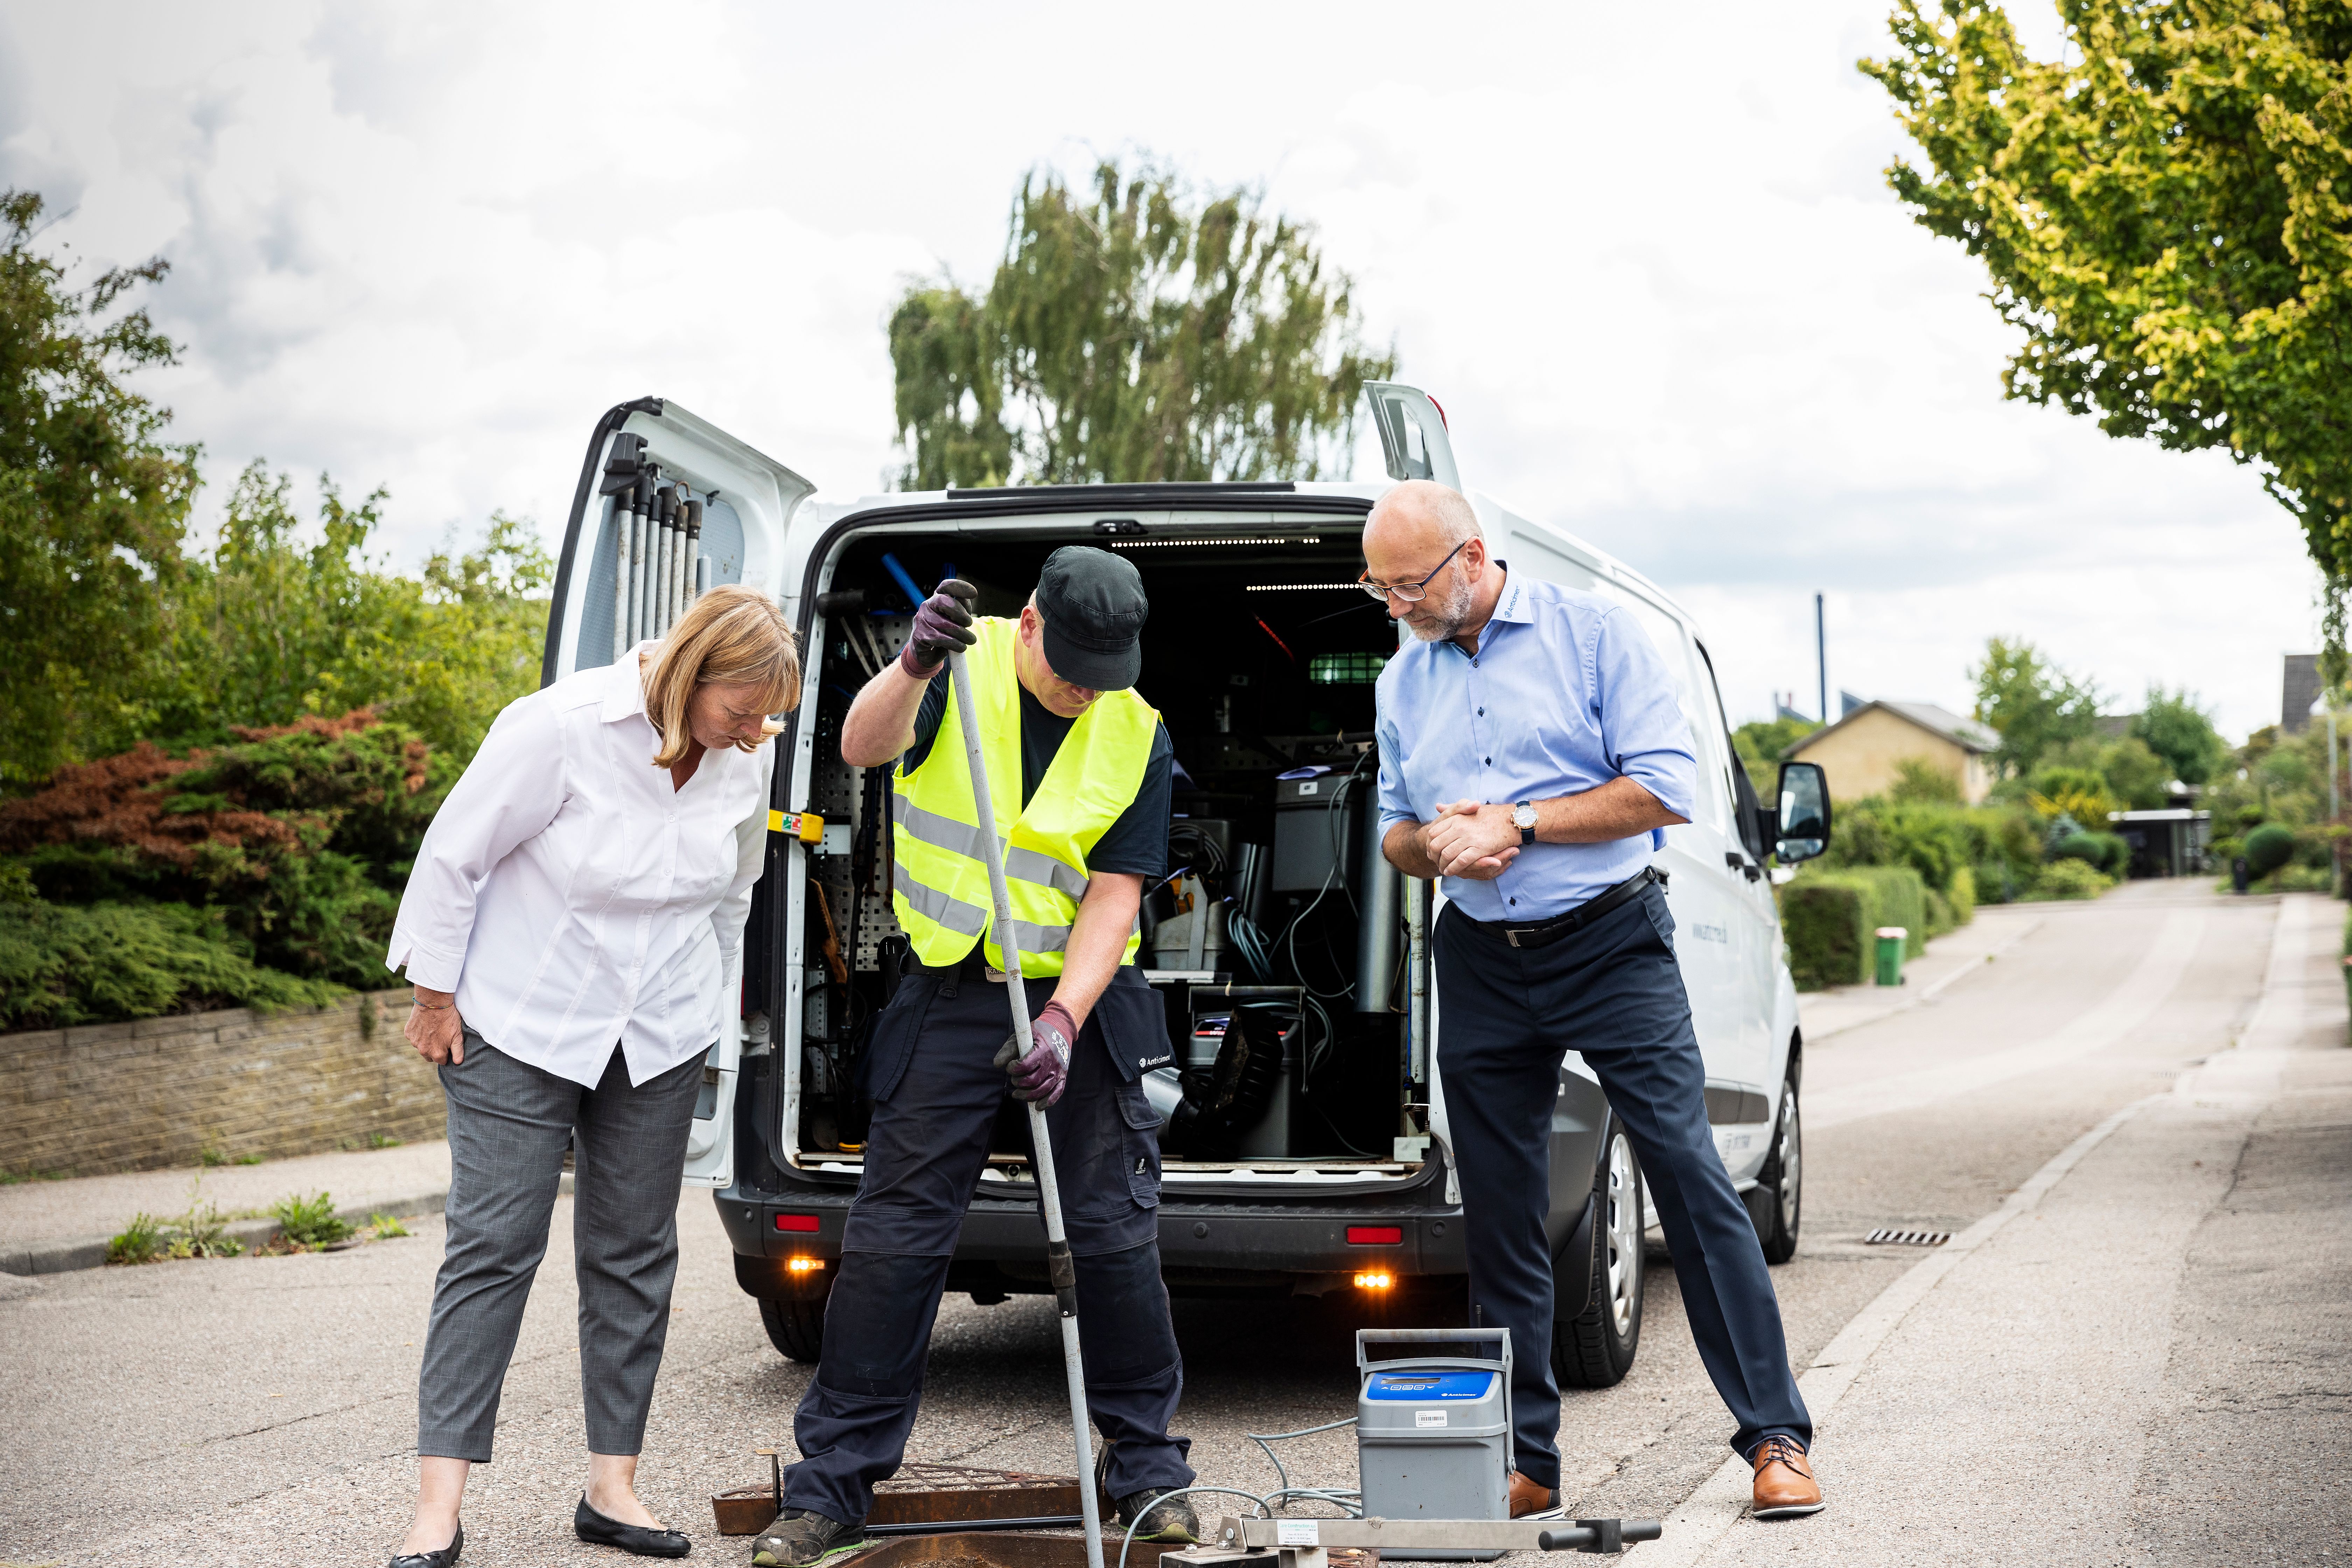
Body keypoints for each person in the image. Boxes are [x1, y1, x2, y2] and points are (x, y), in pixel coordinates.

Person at [1365, 482, 1823, 1521]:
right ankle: (1527, 1462)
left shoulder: (1595, 636)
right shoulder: (1402, 682)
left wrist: (1516, 825)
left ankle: (1777, 1438)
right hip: (1480, 953)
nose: (1392, 605)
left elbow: (1666, 787)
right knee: (1501, 1216)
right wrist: (1431, 845)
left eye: (1408, 583)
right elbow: (1393, 826)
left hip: (1610, 942)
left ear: (1472, 558)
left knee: (1693, 1182)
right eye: (1378, 586)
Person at [753, 547, 1196, 1568]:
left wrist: (1064, 1023)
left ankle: (1146, 1473)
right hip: (952, 983)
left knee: (1112, 1233)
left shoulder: (1137, 730)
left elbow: (1116, 896)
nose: (1087, 691)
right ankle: (833, 1487)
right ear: (1030, 625)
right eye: (1072, 667)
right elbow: (865, 749)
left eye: (1106, 672)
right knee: (895, 1235)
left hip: (1081, 994)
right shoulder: (955, 663)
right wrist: (910, 666)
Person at [383, 584, 798, 1566]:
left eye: (767, 718)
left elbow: (734, 892)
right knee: (494, 1247)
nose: (754, 733)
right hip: (524, 1021)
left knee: (633, 1253)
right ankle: (437, 1508)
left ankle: (613, 1487)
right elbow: (454, 858)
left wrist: (719, 1023)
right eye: (741, 710)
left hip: (658, 1033)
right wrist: (435, 1000)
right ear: (693, 673)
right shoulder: (559, 728)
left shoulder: (747, 756)